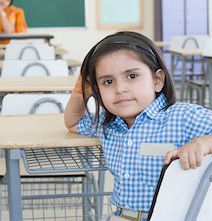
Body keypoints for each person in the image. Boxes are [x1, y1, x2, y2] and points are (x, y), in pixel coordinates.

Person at [65, 31, 212, 221]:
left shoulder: (182, 117)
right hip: (121, 216)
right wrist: (80, 93)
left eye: (132, 76)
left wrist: (203, 143)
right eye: (108, 82)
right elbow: (73, 123)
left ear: (157, 80)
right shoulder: (106, 124)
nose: (120, 89)